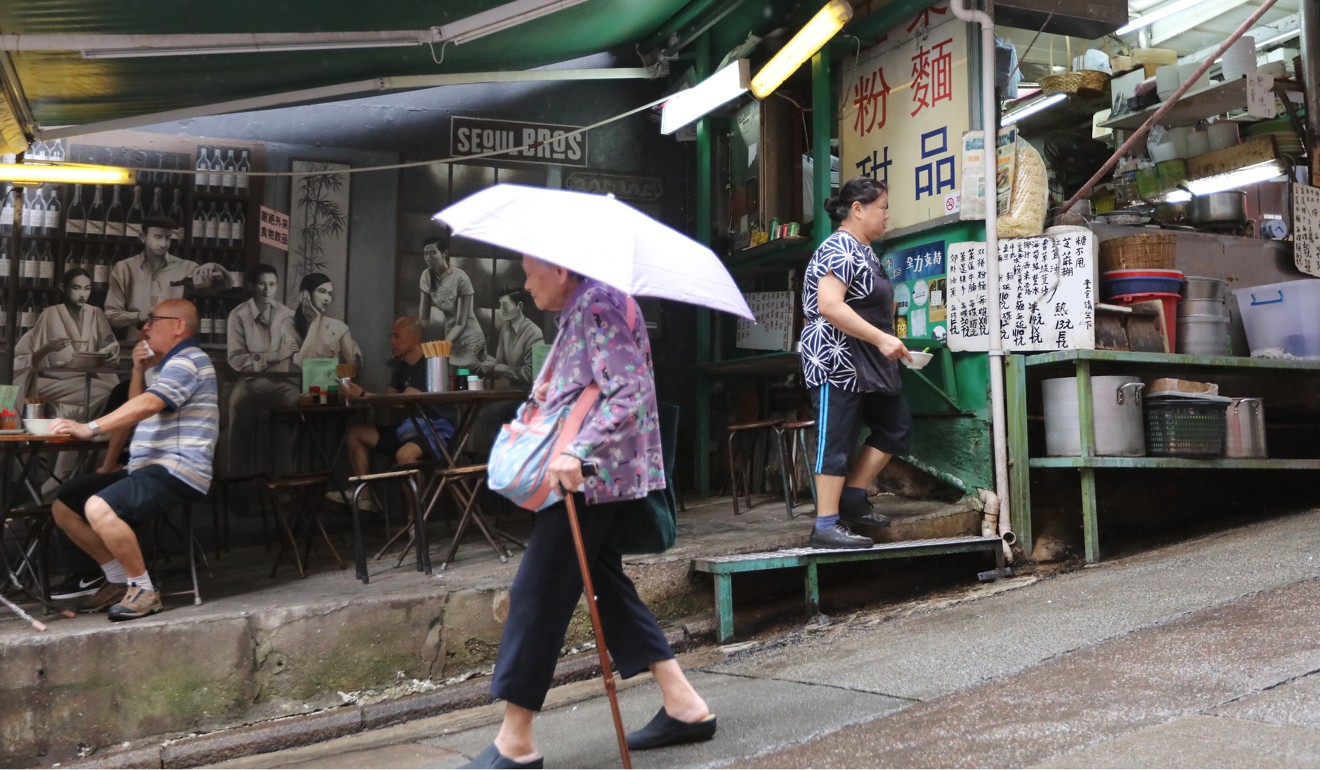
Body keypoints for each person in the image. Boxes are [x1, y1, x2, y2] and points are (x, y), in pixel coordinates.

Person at [461, 257, 714, 769]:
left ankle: (516, 740)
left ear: (560, 269)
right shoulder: (593, 303)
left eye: (531, 272)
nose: (526, 282)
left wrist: (579, 450)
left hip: (588, 478)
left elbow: (632, 389)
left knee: (538, 589)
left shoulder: (595, 304)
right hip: (599, 474)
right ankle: (685, 704)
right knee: (605, 584)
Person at [47, 298, 219, 621]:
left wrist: (90, 427)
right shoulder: (166, 365)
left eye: (154, 320)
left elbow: (150, 404)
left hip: (177, 469)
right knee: (65, 504)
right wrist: (139, 369)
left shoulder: (189, 360)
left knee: (99, 506)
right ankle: (116, 580)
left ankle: (144, 590)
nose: (146, 327)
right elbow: (139, 405)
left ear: (179, 326)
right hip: (146, 468)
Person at [798, 176, 913, 550]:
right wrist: (882, 337)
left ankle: (852, 497)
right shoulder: (840, 248)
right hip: (837, 358)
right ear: (858, 209)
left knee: (894, 426)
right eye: (882, 208)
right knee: (836, 439)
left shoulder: (865, 249)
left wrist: (886, 336)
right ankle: (825, 525)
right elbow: (830, 305)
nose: (886, 215)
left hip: (868, 359)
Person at [334, 317, 456, 511]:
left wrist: (363, 395)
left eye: (396, 336)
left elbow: (403, 400)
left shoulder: (429, 364)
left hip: (434, 430)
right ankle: (364, 496)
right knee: (356, 433)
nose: (391, 341)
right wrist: (361, 396)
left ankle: (414, 519)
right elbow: (389, 399)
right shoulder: (402, 367)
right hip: (408, 429)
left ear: (414, 338)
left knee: (405, 456)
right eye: (390, 336)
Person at [12, 268, 119, 421]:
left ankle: (79, 427)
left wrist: (109, 353)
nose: (82, 294)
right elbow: (34, 354)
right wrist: (48, 348)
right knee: (105, 392)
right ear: (64, 288)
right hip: (51, 380)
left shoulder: (95, 313)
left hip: (85, 377)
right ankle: (75, 425)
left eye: (87, 288)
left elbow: (110, 344)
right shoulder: (50, 314)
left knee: (112, 390)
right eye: (76, 288)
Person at [224, 263, 301, 476]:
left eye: (272, 284)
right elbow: (236, 360)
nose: (267, 290)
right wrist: (275, 356)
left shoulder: (288, 315)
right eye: (261, 284)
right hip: (250, 383)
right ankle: (237, 482)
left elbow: (298, 351)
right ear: (251, 286)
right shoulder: (238, 315)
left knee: (302, 405)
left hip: (282, 383)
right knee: (238, 406)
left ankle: (288, 477)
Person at [104, 216, 225, 343]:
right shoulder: (124, 268)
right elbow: (111, 315)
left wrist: (213, 268)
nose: (164, 244)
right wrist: (139, 316)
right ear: (142, 237)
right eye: (158, 237)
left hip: (173, 347)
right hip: (137, 346)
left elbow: (222, 287)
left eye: (168, 238)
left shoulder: (187, 268)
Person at [418, 231, 486, 369]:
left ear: (444, 253)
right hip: (449, 337)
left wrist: (443, 345)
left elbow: (461, 322)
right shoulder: (426, 276)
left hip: (470, 337)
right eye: (425, 253)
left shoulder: (461, 278)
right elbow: (423, 317)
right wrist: (416, 339)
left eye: (433, 253)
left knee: (469, 380)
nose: (428, 257)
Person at [476, 286, 544, 388]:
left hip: (527, 393)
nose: (501, 309)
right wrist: (485, 357)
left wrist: (497, 368)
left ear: (519, 306)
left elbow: (532, 373)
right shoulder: (505, 329)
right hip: (510, 389)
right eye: (500, 305)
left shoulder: (533, 332)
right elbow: (500, 363)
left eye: (505, 305)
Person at [292, 272, 361, 368]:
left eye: (330, 294)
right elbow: (303, 364)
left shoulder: (339, 328)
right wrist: (315, 320)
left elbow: (350, 367)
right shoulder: (288, 324)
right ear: (305, 294)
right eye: (322, 291)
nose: (327, 299)